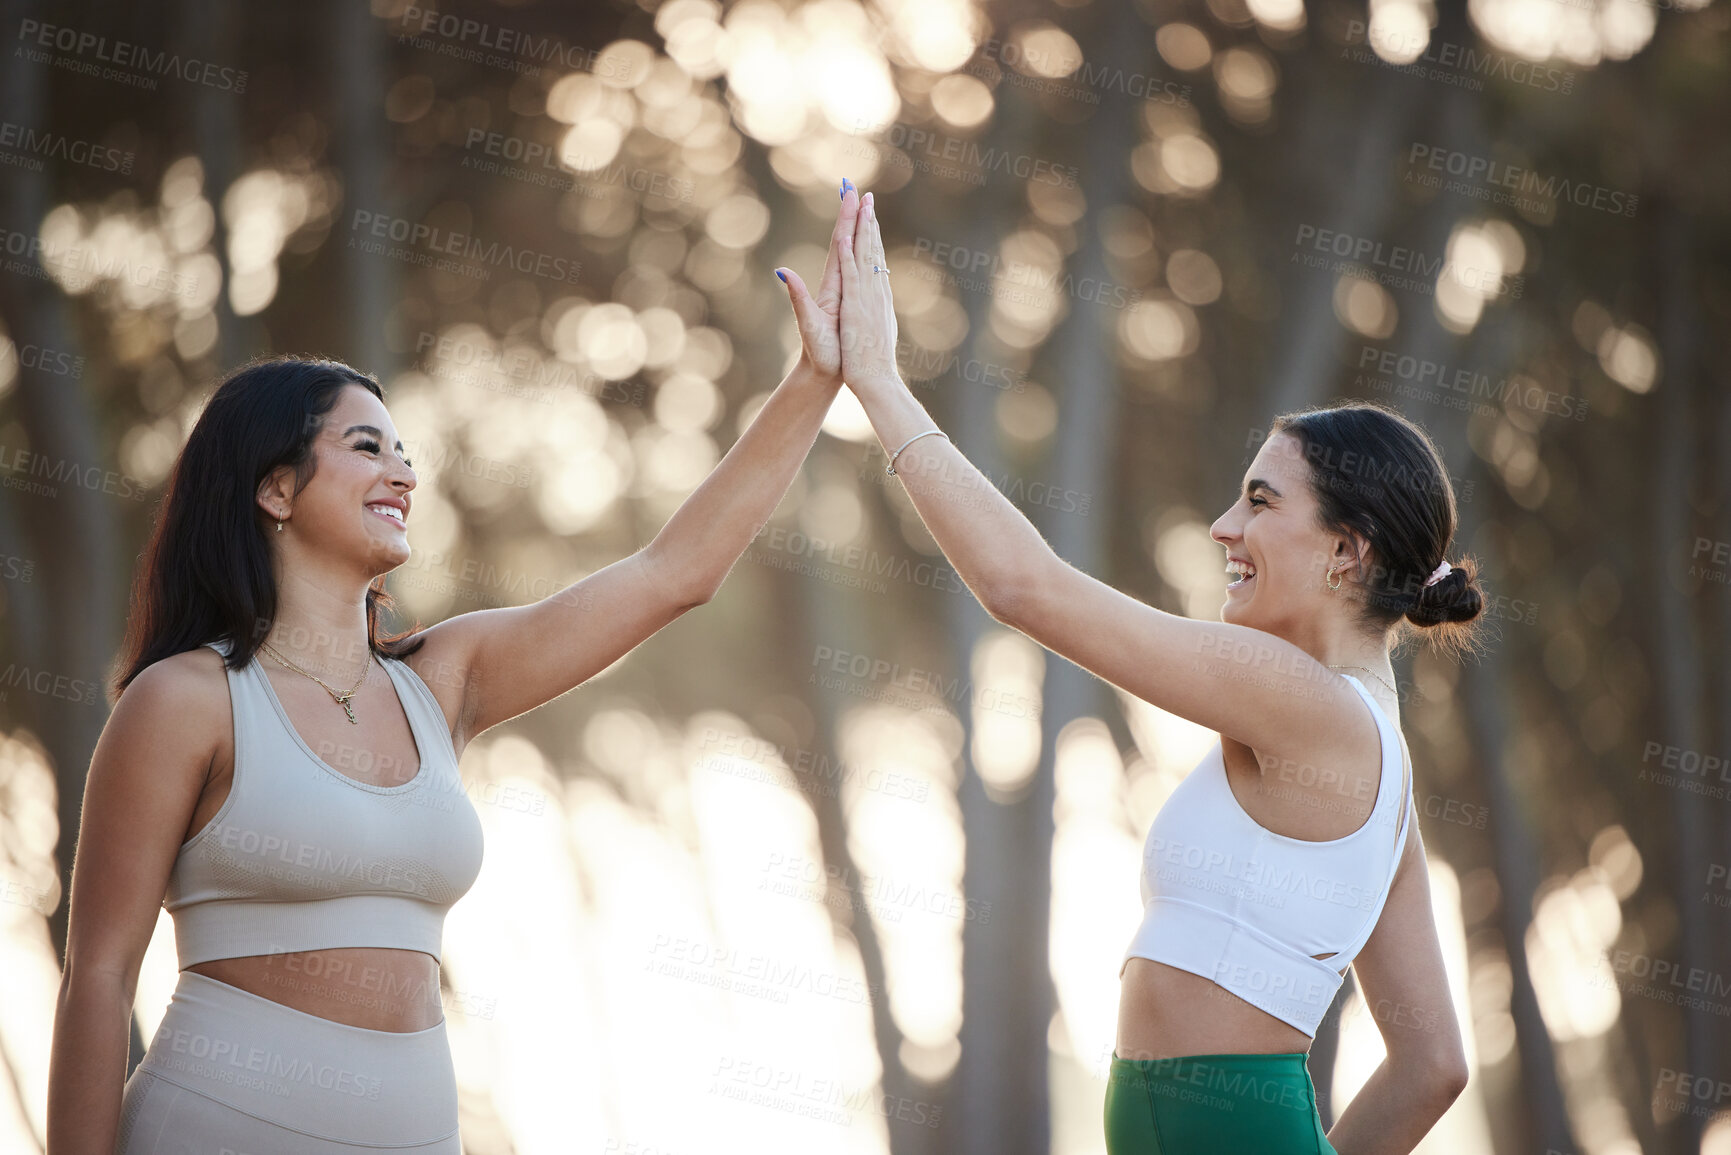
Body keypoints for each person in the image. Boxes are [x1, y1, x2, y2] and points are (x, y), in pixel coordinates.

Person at [45, 183, 870, 1154]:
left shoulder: (442, 679)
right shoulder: (186, 701)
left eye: (404, 450)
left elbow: (672, 575)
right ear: (275, 487)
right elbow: (98, 977)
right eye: (365, 448)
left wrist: (815, 382)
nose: (403, 471)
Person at [832, 188, 1474, 1153]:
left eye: (1259, 501)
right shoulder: (1378, 769)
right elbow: (1434, 1065)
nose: (1224, 526)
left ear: (1346, 552)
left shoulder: (1300, 698)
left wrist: (879, 382)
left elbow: (1024, 589)